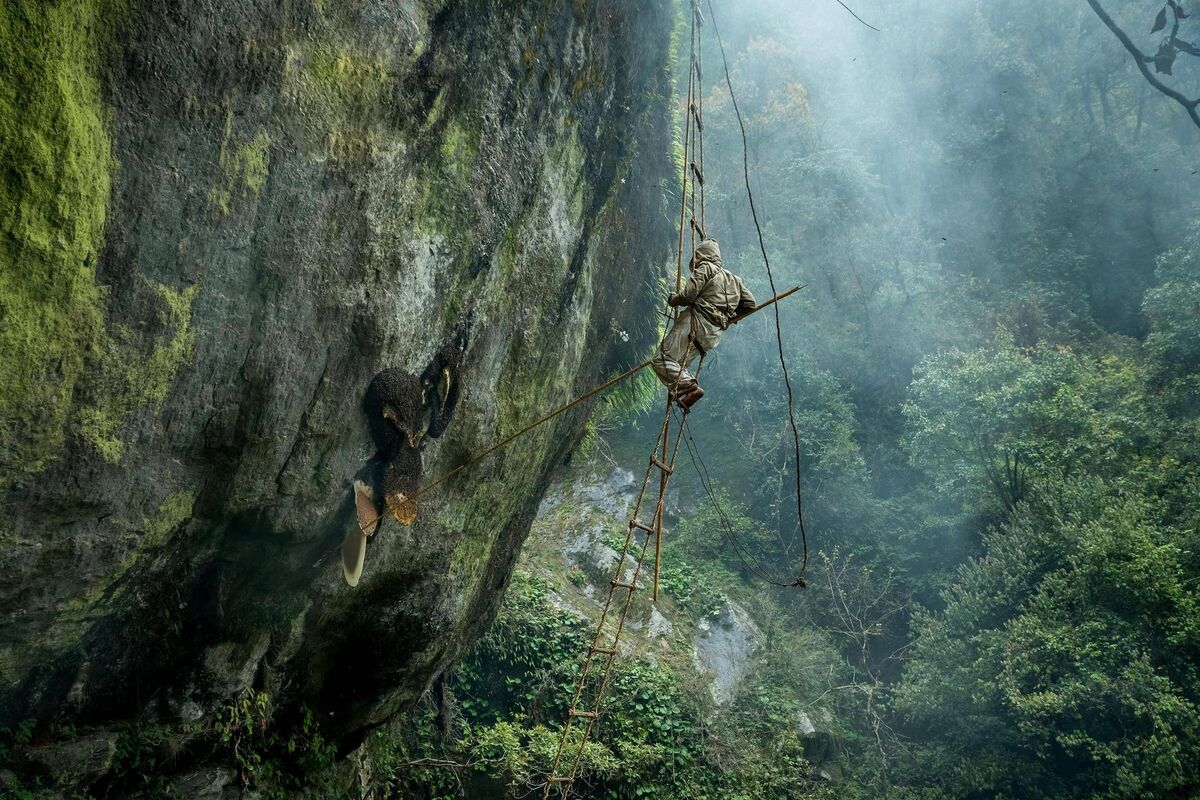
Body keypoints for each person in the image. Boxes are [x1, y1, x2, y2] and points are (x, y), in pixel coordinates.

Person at [652, 238, 756, 410]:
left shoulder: (706, 268)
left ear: (701, 255)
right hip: (712, 335)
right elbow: (750, 304)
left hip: (695, 322)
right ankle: (685, 392)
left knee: (661, 359)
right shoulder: (734, 279)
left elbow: (688, 296)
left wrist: (673, 300)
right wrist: (730, 319)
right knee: (679, 364)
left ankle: (688, 385)